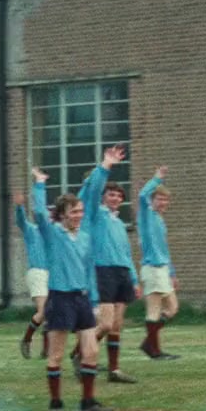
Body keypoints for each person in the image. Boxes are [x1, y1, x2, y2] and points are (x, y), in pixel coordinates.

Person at [30, 166, 113, 411]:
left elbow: (88, 271)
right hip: (60, 299)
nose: (79, 215)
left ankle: (88, 402)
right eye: (74, 212)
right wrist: (39, 184)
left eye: (80, 211)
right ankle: (55, 403)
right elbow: (38, 213)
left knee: (92, 350)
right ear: (62, 215)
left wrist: (94, 300)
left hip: (82, 299)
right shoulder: (53, 234)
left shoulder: (85, 237)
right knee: (56, 354)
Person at [80, 146, 141, 383]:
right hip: (103, 271)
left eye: (119, 195)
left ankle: (114, 370)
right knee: (104, 324)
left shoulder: (119, 224)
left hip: (122, 273)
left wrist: (134, 279)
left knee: (116, 325)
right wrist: (106, 165)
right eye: (111, 194)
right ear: (104, 197)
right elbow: (93, 189)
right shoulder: (95, 214)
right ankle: (81, 353)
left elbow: (126, 254)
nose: (115, 198)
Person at [136, 166, 180, 360]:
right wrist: (156, 178)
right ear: (152, 200)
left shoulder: (160, 221)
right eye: (159, 199)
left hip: (163, 268)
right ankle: (154, 351)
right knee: (154, 309)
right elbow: (141, 195)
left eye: (165, 199)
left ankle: (149, 342)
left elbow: (164, 249)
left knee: (172, 308)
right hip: (152, 268)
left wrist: (172, 272)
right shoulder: (146, 215)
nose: (163, 202)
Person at [14, 190, 50, 359]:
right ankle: (27, 339)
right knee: (43, 311)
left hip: (53, 274)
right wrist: (19, 207)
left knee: (51, 313)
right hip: (37, 272)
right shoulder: (31, 230)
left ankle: (46, 350)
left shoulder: (54, 234)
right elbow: (21, 221)